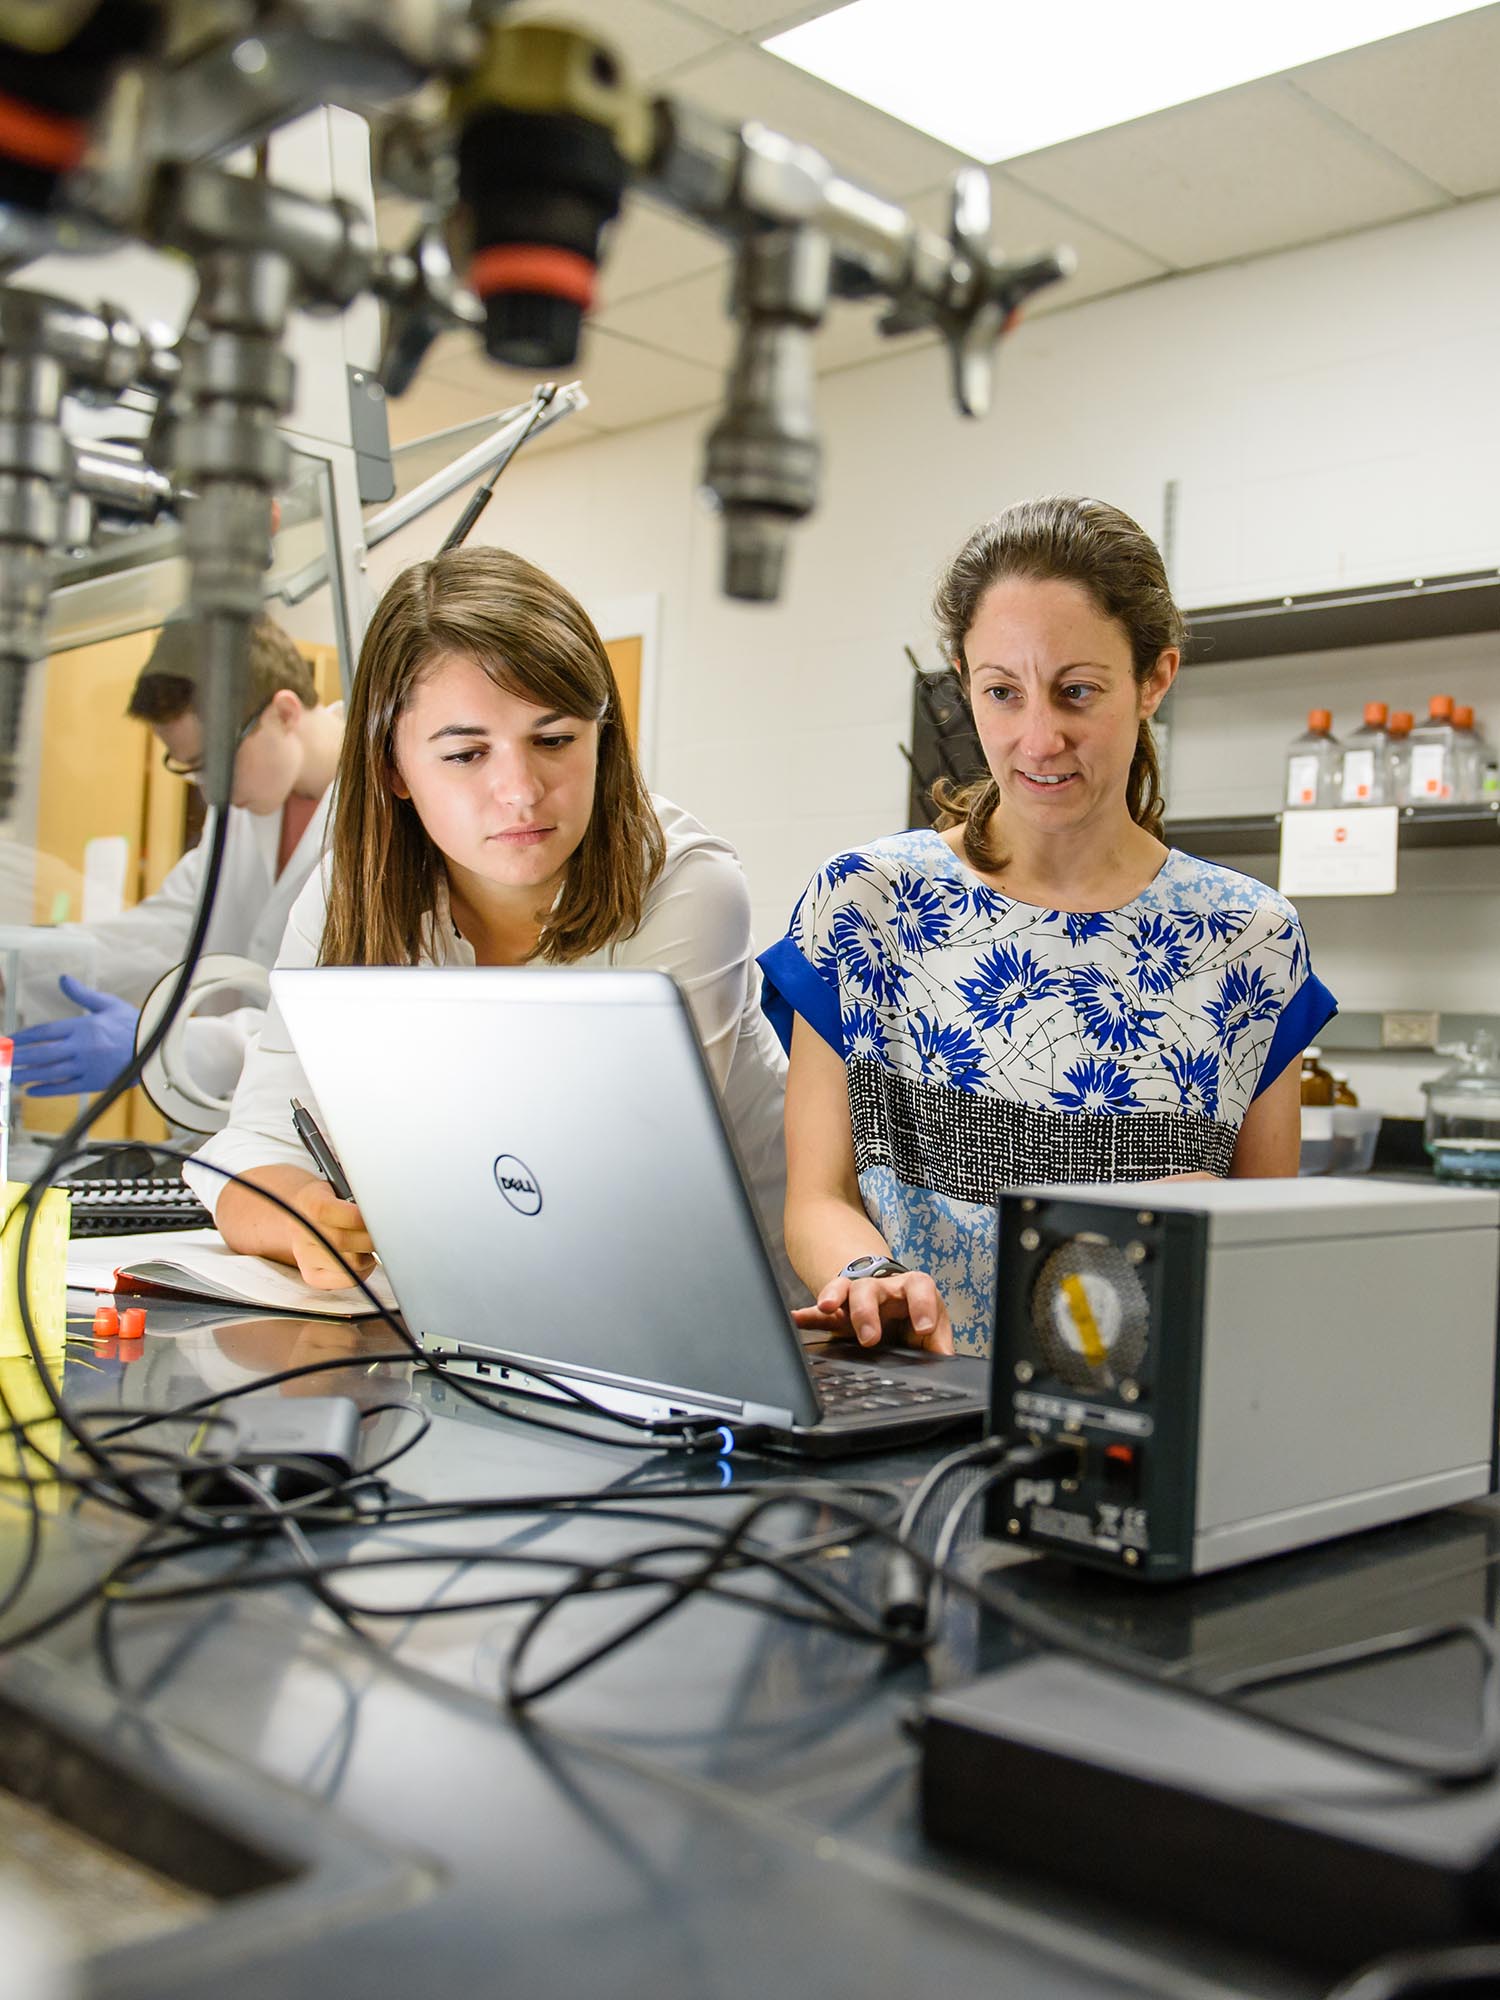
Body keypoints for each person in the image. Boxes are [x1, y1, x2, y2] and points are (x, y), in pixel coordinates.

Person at [758, 495, 1336, 1357]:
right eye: (1001, 692)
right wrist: (873, 1278)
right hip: (911, 1404)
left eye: (1076, 692)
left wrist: (1207, 1230)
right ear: (965, 683)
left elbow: (1265, 1259)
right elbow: (816, 1199)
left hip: (1135, 1426)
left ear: (1154, 679)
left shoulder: (1249, 940)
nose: (1038, 738)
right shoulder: (866, 905)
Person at [185, 545, 794, 1298]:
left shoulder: (686, 886)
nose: (520, 791)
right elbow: (253, 1142)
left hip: (723, 1315)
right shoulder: (354, 888)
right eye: (467, 754)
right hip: (490, 1309)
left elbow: (613, 1190)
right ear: (391, 770)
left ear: (602, 738)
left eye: (554, 740)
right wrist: (304, 1214)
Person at [11, 613, 345, 1101]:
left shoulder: (386, 817)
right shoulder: (241, 814)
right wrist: (15, 967)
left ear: (285, 712)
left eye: (215, 763)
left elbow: (334, 1024)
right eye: (192, 770)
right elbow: (166, 934)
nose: (209, 793)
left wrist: (161, 1047)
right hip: (228, 1132)